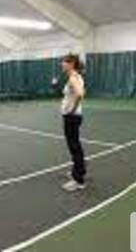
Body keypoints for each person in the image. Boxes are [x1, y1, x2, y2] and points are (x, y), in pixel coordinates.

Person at [60, 54, 87, 192]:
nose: (62, 64)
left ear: (71, 64)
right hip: (73, 117)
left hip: (72, 117)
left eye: (64, 62)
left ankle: (78, 180)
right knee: (74, 146)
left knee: (74, 147)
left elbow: (80, 93)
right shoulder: (77, 76)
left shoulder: (73, 78)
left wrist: (72, 109)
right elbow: (82, 91)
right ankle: (77, 171)